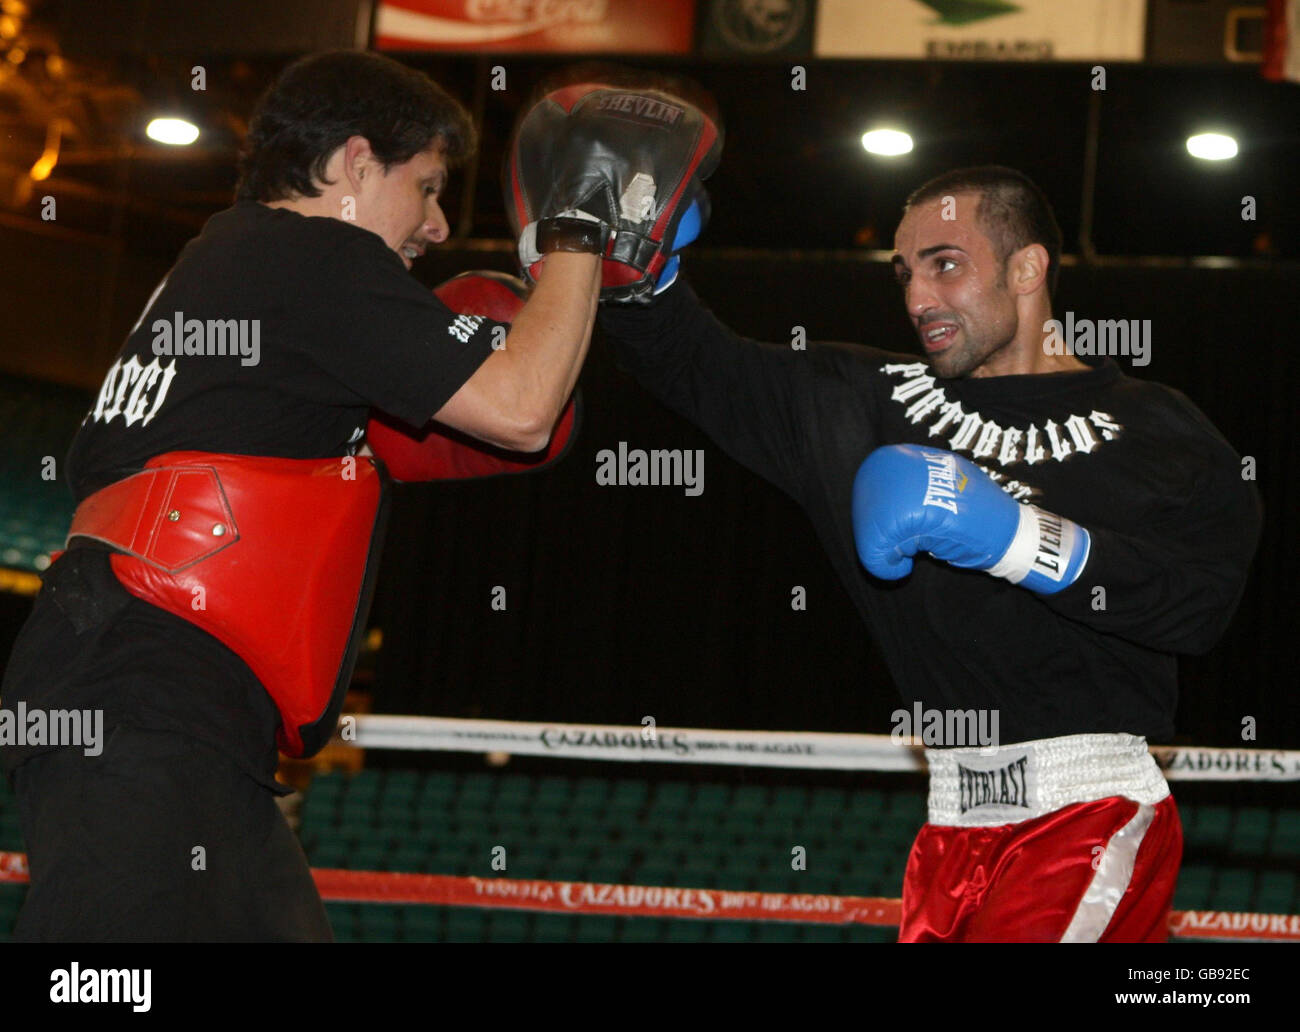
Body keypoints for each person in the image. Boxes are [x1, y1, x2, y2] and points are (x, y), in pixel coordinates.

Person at [0, 50, 604, 941]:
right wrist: (578, 240)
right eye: (428, 187)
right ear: (354, 163)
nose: (437, 225)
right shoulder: (311, 258)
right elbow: (521, 410)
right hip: (147, 689)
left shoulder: (241, 263)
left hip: (165, 696)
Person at [596, 165, 1262, 942]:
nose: (917, 299)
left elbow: (1203, 607)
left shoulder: (1156, 429)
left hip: (1088, 812)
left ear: (1028, 267)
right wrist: (632, 271)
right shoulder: (863, 404)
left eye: (946, 264)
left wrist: (1020, 540)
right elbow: (699, 367)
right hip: (949, 825)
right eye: (905, 273)